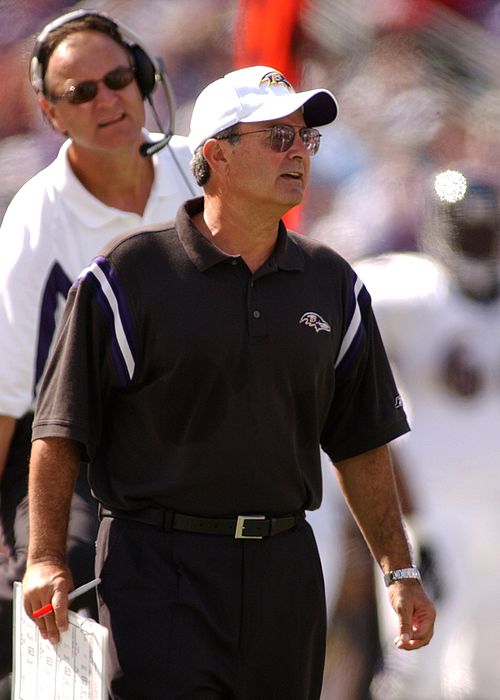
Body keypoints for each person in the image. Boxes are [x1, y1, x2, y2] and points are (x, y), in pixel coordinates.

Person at [22, 65, 435, 699]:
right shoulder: (129, 274)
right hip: (157, 570)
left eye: (304, 137)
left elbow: (361, 440)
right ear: (216, 153)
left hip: (286, 572)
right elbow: (60, 430)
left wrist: (398, 569)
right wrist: (45, 558)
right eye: (277, 136)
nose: (298, 150)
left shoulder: (334, 282)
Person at [0, 8, 198, 692]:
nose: (107, 99)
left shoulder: (207, 169)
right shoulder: (36, 217)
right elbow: (7, 401)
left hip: (194, 436)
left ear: (145, 77)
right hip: (70, 448)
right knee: (65, 588)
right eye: (81, 91)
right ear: (52, 115)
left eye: (118, 78)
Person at [347, 164, 500, 700]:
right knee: (418, 671)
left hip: (496, 513)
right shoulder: (410, 292)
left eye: (489, 229)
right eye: (472, 230)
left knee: (488, 673)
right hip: (430, 518)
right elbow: (330, 298)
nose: (482, 242)